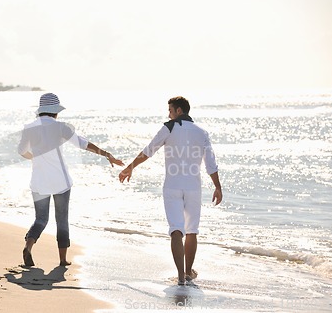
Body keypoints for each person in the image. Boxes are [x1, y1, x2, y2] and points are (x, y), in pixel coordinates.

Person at [119, 96, 222, 286]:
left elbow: (149, 150)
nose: (168, 114)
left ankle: (181, 277)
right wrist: (217, 187)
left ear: (179, 111)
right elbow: (211, 163)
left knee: (176, 230)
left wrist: (130, 167)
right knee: (192, 231)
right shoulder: (202, 132)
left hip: (172, 186)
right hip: (193, 187)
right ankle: (189, 272)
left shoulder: (169, 127)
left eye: (170, 110)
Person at [18, 93, 124, 267]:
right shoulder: (61, 127)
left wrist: (35, 158)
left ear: (41, 111)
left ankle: (28, 246)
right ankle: (62, 260)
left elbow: (22, 151)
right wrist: (107, 155)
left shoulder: (29, 127)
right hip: (61, 181)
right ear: (55, 111)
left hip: (38, 181)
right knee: (62, 219)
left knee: (41, 219)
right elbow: (83, 144)